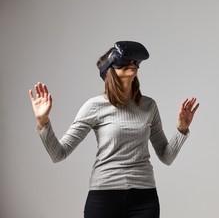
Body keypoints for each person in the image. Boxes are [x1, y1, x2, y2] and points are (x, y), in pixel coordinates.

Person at [29, 41, 199, 218]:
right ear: (110, 68)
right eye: (126, 60)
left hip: (144, 198)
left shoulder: (149, 106)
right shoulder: (94, 106)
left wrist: (181, 129)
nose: (132, 64)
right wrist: (43, 121)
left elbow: (166, 157)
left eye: (134, 61)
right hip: (104, 196)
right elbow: (59, 154)